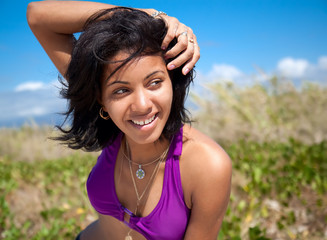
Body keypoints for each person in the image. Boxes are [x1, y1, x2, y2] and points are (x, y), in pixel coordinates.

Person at [27, 1, 232, 240]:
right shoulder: (113, 124)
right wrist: (147, 16)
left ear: (172, 83)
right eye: (121, 91)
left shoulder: (208, 165)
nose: (142, 105)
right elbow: (37, 16)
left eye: (154, 82)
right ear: (100, 99)